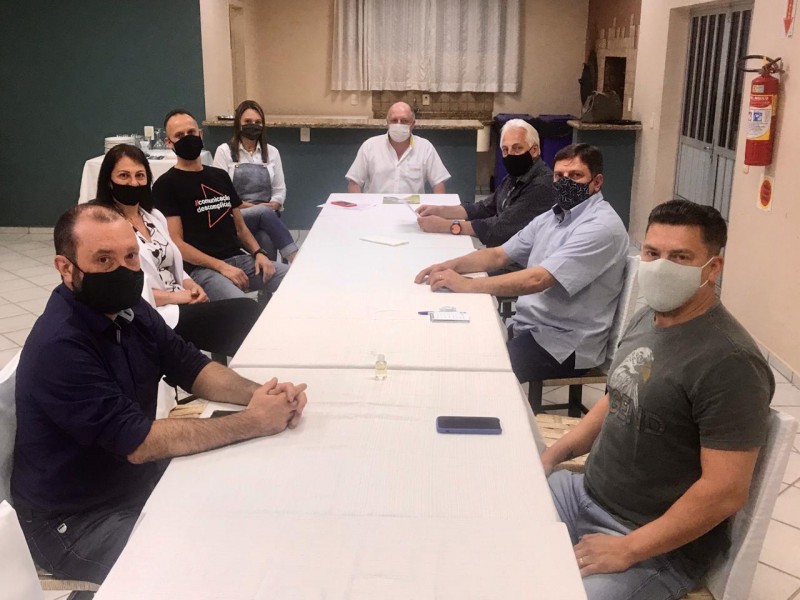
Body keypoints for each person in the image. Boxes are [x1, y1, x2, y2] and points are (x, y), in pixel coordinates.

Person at [11, 204, 308, 585]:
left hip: (129, 480)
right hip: (75, 520)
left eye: (130, 256)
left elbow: (192, 367)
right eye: (103, 260)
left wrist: (262, 395)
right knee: (209, 568)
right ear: (65, 268)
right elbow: (138, 442)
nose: (123, 270)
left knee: (248, 503)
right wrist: (253, 421)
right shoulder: (61, 346)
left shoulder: (128, 308)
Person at [541, 199, 774, 600]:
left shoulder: (730, 362)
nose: (660, 266)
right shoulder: (647, 318)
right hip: (582, 493)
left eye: (680, 257)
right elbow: (616, 398)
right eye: (652, 253)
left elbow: (725, 490)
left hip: (651, 542)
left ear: (712, 268)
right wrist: (551, 457)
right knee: (491, 526)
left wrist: (628, 549)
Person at [414, 144, 628, 384]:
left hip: (565, 342)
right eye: (560, 176)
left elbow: (538, 280)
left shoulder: (600, 227)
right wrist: (448, 266)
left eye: (576, 175)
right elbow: (499, 255)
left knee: (483, 373)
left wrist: (466, 285)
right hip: (531, 326)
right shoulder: (552, 217)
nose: (566, 182)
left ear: (597, 182)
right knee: (463, 345)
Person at [93, 143, 261, 357]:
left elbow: (174, 263)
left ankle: (241, 368)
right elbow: (122, 291)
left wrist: (192, 286)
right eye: (124, 176)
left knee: (243, 322)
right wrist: (177, 297)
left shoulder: (153, 216)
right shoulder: (107, 227)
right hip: (151, 313)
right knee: (246, 312)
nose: (133, 183)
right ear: (109, 181)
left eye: (140, 176)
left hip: (181, 300)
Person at [152, 109, 288, 302]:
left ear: (200, 134)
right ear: (168, 143)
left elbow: (240, 228)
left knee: (298, 279)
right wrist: (221, 266)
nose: (187, 138)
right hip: (201, 269)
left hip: (239, 259)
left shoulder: (220, 176)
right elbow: (177, 243)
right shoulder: (165, 185)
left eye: (191, 132)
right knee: (244, 308)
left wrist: (259, 253)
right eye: (179, 135)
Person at [416, 119, 554, 247]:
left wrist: (446, 226)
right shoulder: (516, 176)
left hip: (521, 259)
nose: (511, 154)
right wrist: (440, 210)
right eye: (505, 150)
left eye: (517, 148)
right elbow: (485, 207)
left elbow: (500, 229)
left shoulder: (542, 185)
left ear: (534, 150)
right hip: (502, 251)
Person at [213, 99, 298, 263]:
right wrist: (255, 208)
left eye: (258, 122)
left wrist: (274, 204)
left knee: (266, 238)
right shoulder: (224, 152)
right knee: (264, 212)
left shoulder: (272, 152)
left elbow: (279, 190)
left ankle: (270, 278)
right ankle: (294, 259)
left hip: (267, 214)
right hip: (235, 216)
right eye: (248, 121)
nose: (253, 125)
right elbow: (220, 196)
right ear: (238, 124)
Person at [345, 101, 450, 194]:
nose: (398, 124)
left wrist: (437, 208)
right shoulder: (369, 146)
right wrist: (360, 208)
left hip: (414, 208)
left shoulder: (425, 147)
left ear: (413, 124)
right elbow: (354, 182)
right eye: (394, 120)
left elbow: (439, 183)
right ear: (387, 122)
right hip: (376, 208)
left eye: (404, 121)